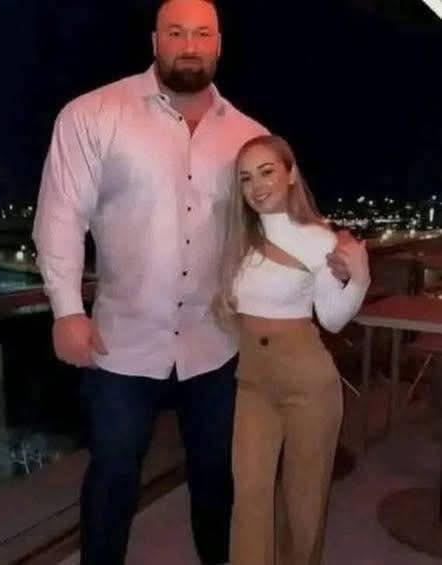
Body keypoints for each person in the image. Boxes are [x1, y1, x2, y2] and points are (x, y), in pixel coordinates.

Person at [32, 1, 360, 563]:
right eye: (177, 32)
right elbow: (60, 216)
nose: (190, 45)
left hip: (218, 344)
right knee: (113, 476)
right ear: (154, 40)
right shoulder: (92, 114)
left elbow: (281, 216)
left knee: (217, 479)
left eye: (202, 34)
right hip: (121, 342)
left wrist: (337, 246)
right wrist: (66, 309)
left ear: (218, 44)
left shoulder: (249, 136)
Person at [214, 134, 370, 565]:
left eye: (267, 171)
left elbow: (332, 319)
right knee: (249, 495)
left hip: (308, 382)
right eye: (246, 178)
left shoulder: (318, 239)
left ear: (290, 174)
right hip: (253, 383)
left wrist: (360, 278)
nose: (257, 185)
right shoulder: (239, 241)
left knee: (304, 500)